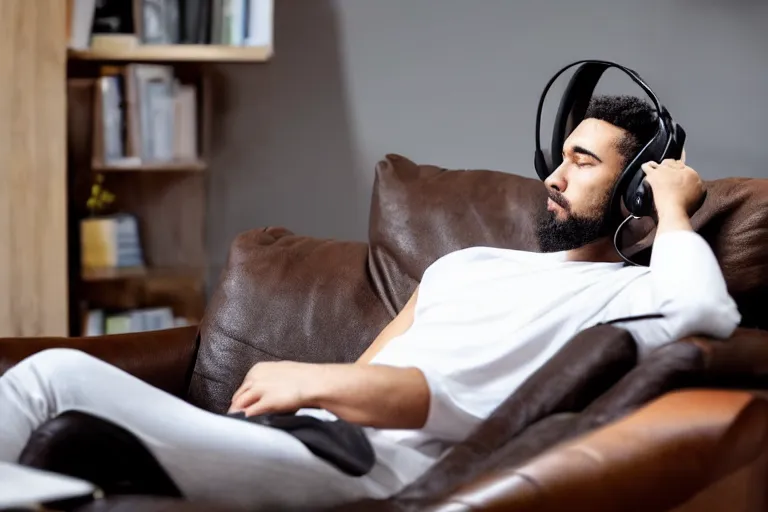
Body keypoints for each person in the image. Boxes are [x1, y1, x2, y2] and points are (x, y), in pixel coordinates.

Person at [0, 95, 740, 510]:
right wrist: (315, 393)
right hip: (311, 435)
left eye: (584, 162)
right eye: (560, 155)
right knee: (56, 412)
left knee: (52, 378)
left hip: (370, 467)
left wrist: (672, 209)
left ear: (636, 186)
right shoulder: (466, 263)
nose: (554, 175)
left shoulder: (625, 290)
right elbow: (377, 364)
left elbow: (706, 316)